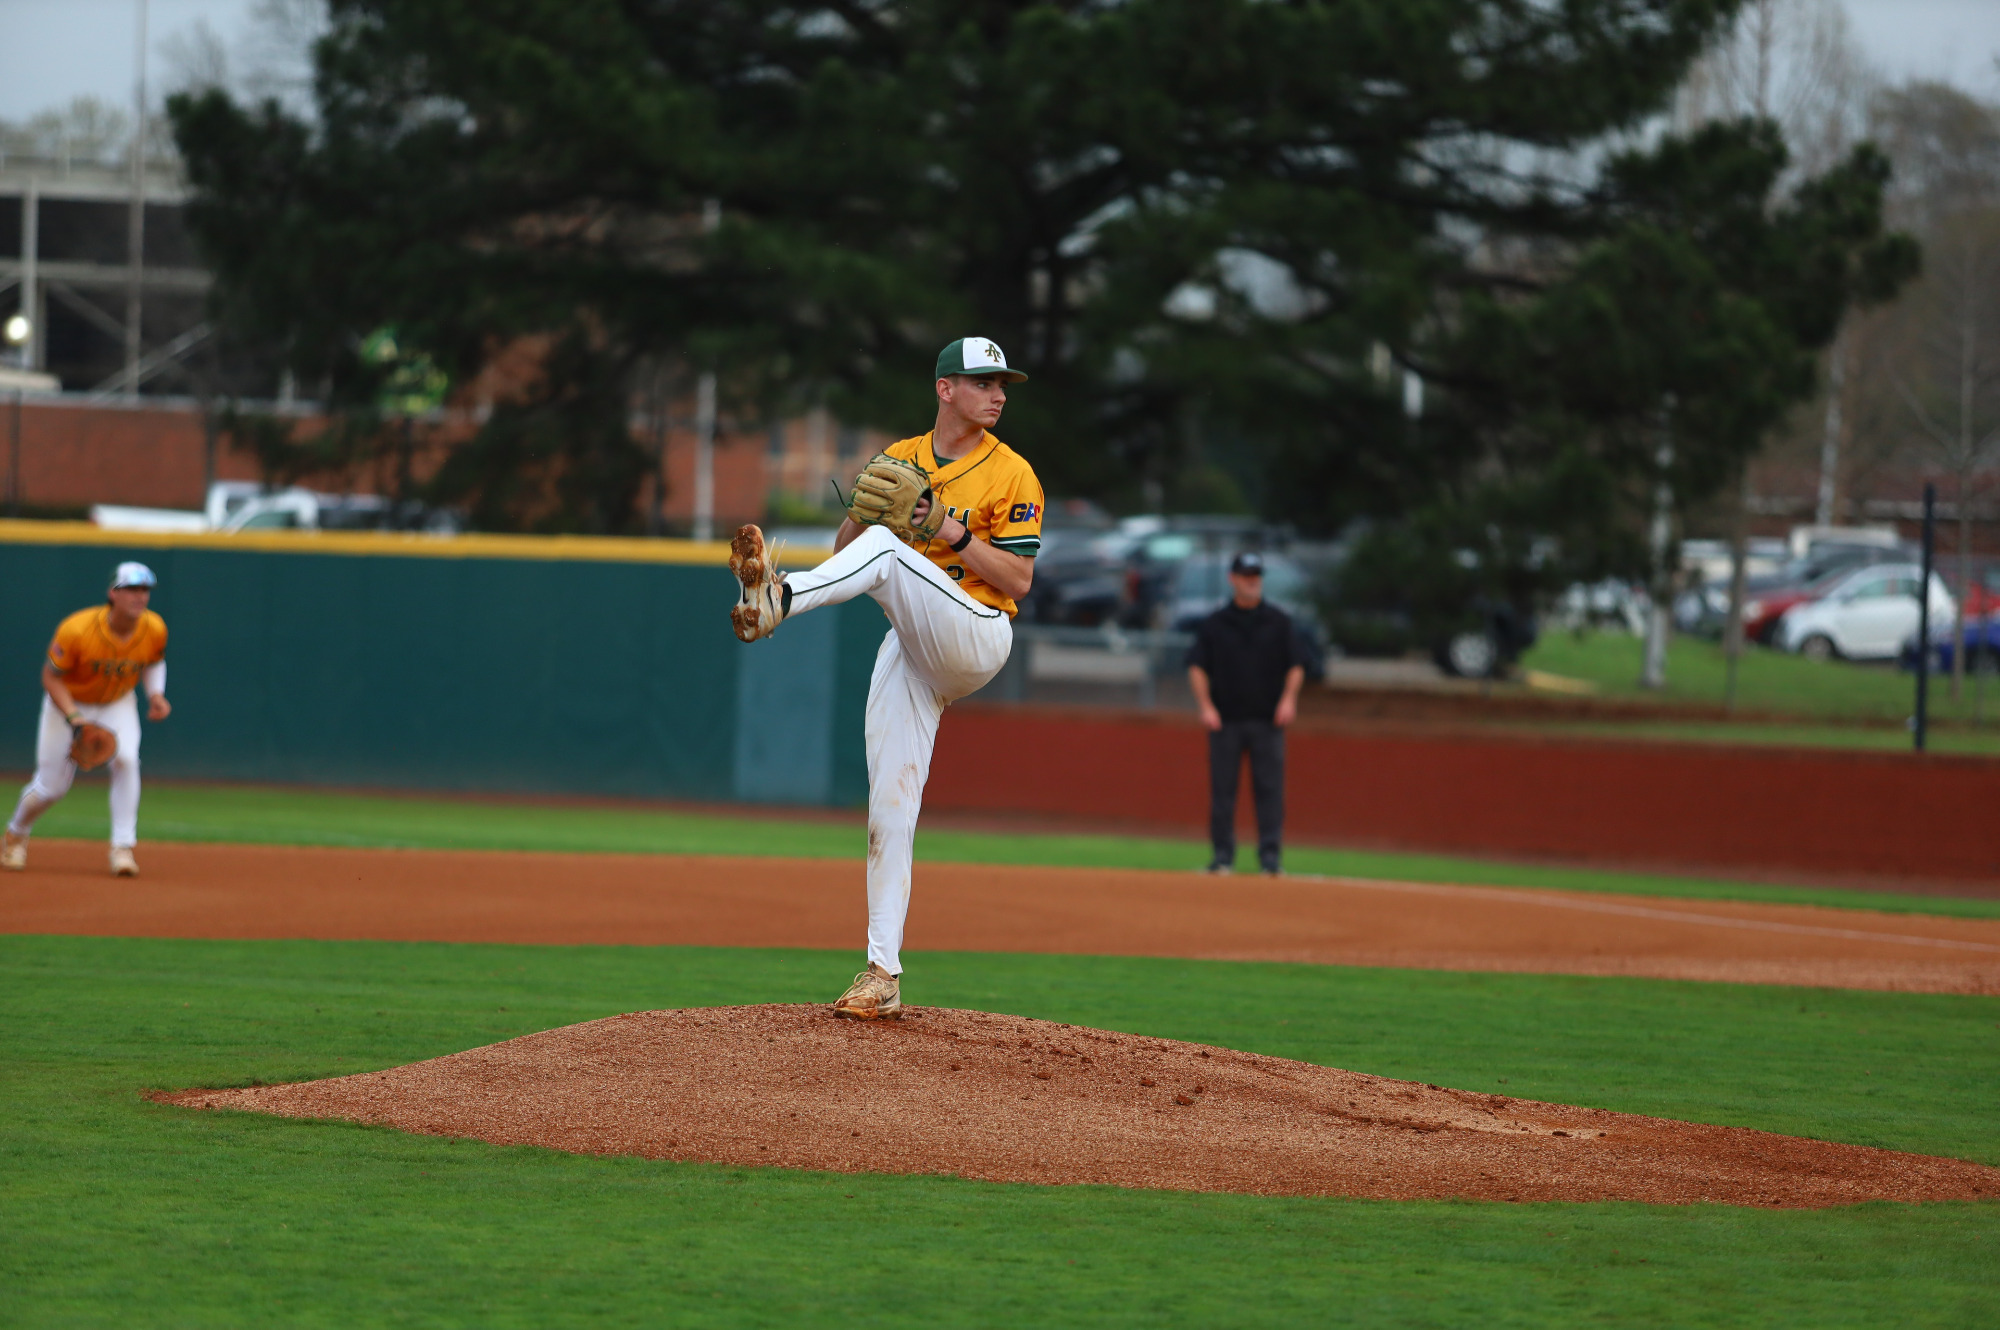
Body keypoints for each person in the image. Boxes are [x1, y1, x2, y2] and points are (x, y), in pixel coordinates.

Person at [728, 337, 1043, 1019]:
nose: (998, 394)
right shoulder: (900, 457)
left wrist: (948, 529)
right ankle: (882, 973)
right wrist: (866, 514)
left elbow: (1019, 579)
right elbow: (848, 550)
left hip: (978, 632)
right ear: (945, 389)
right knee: (889, 809)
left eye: (1002, 384)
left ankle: (778, 599)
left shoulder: (1013, 472)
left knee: (887, 553)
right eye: (983, 381)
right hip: (914, 645)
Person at [2, 562, 172, 877]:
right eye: (131, 589)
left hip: (117, 702)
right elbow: (51, 677)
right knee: (51, 787)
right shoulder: (77, 629)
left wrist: (156, 694)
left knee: (126, 761)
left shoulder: (155, 627)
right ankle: (16, 834)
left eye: (145, 590)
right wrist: (74, 718)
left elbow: (154, 662)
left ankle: (122, 847)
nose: (140, 596)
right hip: (68, 702)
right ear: (113, 593)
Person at [1185, 551, 1307, 876]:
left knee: (1270, 791)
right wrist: (1205, 706)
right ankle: (1222, 856)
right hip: (1225, 721)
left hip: (1268, 721)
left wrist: (1289, 699)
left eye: (1256, 577)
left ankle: (1270, 858)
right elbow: (1196, 666)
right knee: (1223, 792)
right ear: (1233, 579)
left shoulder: (1278, 621)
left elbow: (1296, 665)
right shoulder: (1216, 623)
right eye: (1246, 576)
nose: (1252, 582)